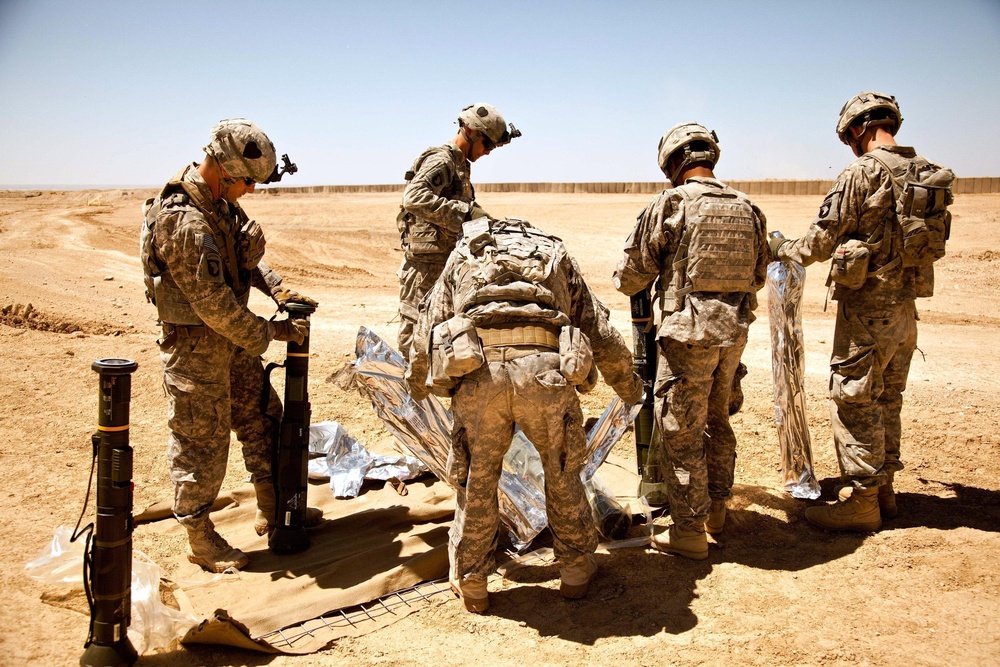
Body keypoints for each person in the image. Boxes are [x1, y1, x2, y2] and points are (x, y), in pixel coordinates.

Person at [406, 216, 643, 612]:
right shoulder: (556, 251)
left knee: (477, 480)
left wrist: (417, 384)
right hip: (545, 371)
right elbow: (598, 330)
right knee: (562, 470)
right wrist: (630, 386)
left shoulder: (465, 251)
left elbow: (427, 325)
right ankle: (575, 570)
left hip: (479, 373)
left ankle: (474, 580)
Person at [140, 118, 320, 572]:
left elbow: (243, 260)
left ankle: (273, 508)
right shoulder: (182, 220)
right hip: (197, 349)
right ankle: (200, 539)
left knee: (263, 419)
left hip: (231, 345)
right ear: (219, 166)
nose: (251, 192)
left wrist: (278, 289)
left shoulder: (220, 206)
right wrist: (273, 333)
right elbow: (214, 304)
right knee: (202, 440)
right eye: (246, 181)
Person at [770, 92, 953, 532]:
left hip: (867, 311)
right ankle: (885, 489)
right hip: (905, 310)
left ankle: (864, 500)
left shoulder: (862, 171)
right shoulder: (926, 171)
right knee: (888, 396)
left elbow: (820, 240)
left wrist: (783, 248)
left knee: (853, 396)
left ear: (857, 130)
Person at [614, 123, 769, 559]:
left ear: (672, 162)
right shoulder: (748, 207)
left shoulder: (672, 203)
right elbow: (759, 275)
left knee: (680, 430)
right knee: (718, 419)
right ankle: (717, 509)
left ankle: (689, 530)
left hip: (689, 336)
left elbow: (631, 276)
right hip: (733, 333)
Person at [395, 103, 520, 362]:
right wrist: (465, 214)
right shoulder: (442, 160)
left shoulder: (460, 165)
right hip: (424, 271)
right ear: (471, 131)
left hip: (445, 266)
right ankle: (411, 401)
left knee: (444, 343)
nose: (487, 152)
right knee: (416, 345)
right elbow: (414, 198)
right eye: (487, 145)